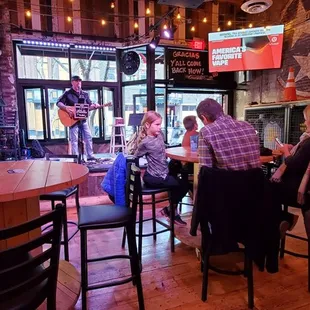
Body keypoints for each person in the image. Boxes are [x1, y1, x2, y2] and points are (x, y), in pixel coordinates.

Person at [134, 111, 189, 226]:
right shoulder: (145, 143)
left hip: (164, 172)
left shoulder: (160, 135)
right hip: (153, 177)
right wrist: (137, 177)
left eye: (160, 124)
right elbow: (135, 158)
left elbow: (162, 150)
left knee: (178, 167)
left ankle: (171, 210)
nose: (160, 127)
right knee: (184, 185)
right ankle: (170, 210)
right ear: (148, 125)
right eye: (157, 124)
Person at [269, 105, 310, 237]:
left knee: (265, 189)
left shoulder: (308, 142)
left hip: (299, 191)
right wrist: (294, 150)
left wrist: (286, 151)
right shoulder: (305, 140)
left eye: (305, 119)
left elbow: (293, 164)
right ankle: (282, 220)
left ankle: (281, 220)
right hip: (302, 187)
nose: (304, 122)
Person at [196, 98, 261, 170]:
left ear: (203, 117)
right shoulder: (248, 126)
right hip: (255, 180)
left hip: (227, 180)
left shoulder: (206, 131)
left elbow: (205, 171)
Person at [56, 75, 100, 160]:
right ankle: (76, 158)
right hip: (72, 120)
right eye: (76, 81)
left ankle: (90, 156)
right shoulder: (67, 93)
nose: (78, 83)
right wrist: (66, 108)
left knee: (88, 137)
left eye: (80, 81)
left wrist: (95, 106)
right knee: (74, 140)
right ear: (72, 82)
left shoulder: (85, 94)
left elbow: (89, 105)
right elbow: (58, 103)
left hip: (83, 120)